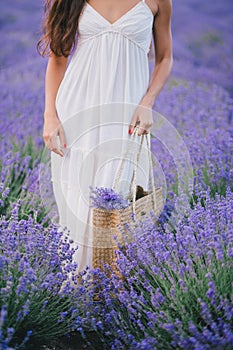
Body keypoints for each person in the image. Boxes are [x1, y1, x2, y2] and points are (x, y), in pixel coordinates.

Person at [37, 0, 173, 275]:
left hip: (127, 117)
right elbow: (58, 57)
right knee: (77, 202)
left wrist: (148, 102)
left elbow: (165, 58)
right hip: (77, 110)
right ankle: (78, 293)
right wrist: (50, 116)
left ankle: (110, 288)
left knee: (117, 201)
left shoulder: (157, 1)